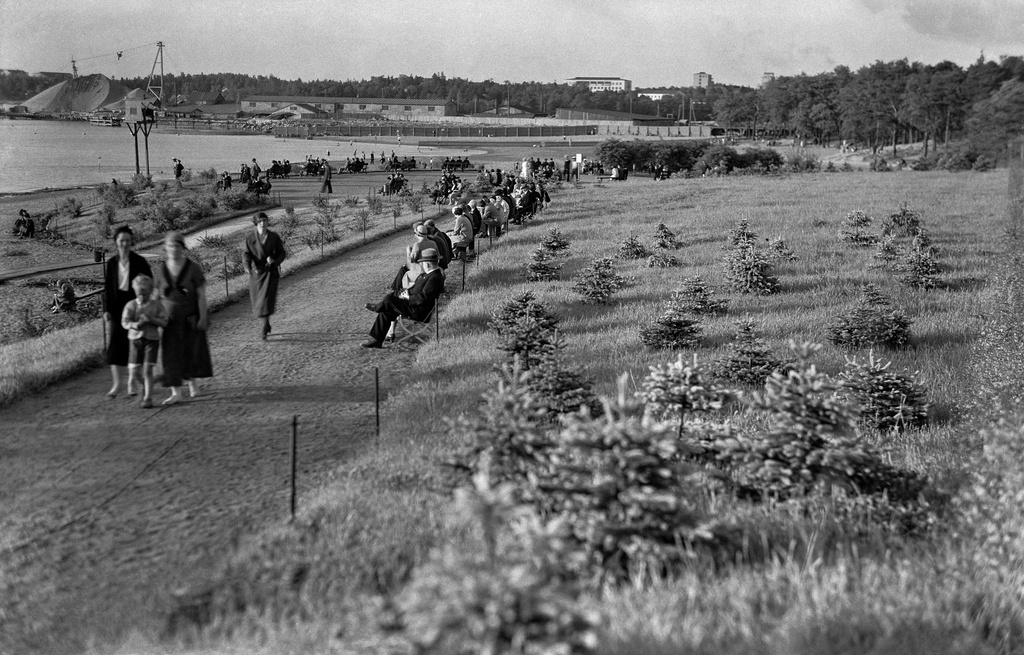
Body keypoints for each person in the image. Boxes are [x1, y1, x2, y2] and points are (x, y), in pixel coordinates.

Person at [158, 231, 212, 405]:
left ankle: (193, 385)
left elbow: (201, 295)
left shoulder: (193, 268)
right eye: (170, 246)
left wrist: (203, 317)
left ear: (183, 248)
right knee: (171, 355)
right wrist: (157, 319)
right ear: (165, 249)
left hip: (190, 317)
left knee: (192, 351)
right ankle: (176, 392)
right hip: (169, 321)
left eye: (177, 246)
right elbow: (157, 297)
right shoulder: (161, 270)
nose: (174, 249)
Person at [103, 226, 153, 398]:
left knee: (136, 346)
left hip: (135, 307)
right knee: (115, 347)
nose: (124, 244)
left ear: (131, 241)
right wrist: (107, 310)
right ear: (116, 243)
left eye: (127, 240)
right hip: (117, 309)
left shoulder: (139, 261)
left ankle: (135, 382)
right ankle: (117, 384)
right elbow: (108, 288)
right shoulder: (111, 263)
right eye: (120, 240)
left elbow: (149, 283)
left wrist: (146, 305)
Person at [361, 248, 444, 348]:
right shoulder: (430, 275)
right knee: (388, 308)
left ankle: (377, 308)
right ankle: (377, 340)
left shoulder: (434, 277)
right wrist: (406, 293)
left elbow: (423, 297)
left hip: (419, 312)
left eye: (422, 263)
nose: (421, 265)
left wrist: (408, 297)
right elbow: (418, 291)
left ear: (427, 264)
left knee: (389, 299)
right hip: (415, 306)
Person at [120, 274, 167, 408]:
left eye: (145, 293)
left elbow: (164, 321)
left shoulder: (156, 305)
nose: (141, 296)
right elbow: (125, 321)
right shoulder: (131, 305)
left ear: (151, 291)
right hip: (135, 339)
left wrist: (152, 319)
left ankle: (148, 398)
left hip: (151, 339)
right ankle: (145, 385)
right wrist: (135, 324)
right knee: (134, 371)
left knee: (147, 370)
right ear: (135, 291)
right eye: (139, 293)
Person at [243, 212, 287, 340]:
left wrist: (274, 261)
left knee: (267, 299)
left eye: (265, 221)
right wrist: (247, 267)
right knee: (258, 301)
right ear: (256, 223)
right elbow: (246, 254)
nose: (263, 223)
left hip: (270, 272)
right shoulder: (250, 238)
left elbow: (282, 253)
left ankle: (264, 326)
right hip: (256, 273)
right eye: (260, 221)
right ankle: (266, 322)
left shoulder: (274, 237)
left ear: (268, 222)